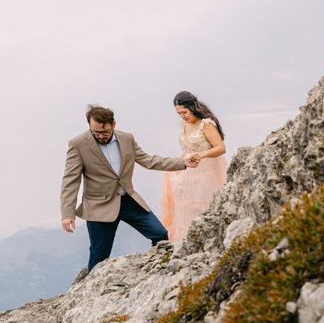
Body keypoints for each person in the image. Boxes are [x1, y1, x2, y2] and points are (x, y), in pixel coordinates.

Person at [61, 104, 188, 282]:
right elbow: (70, 181)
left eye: (104, 132)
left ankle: (159, 277)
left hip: (129, 201)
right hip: (98, 208)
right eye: (96, 132)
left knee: (160, 234)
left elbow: (149, 161)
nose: (100, 136)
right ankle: (90, 293)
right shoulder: (78, 144)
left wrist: (183, 163)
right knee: (99, 257)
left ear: (113, 124)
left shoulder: (127, 138)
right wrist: (68, 214)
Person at [158, 90, 228, 242]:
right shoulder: (185, 125)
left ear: (192, 107)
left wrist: (202, 154)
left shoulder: (206, 124)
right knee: (186, 208)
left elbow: (221, 148)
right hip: (190, 172)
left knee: (204, 205)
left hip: (208, 172)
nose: (183, 116)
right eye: (179, 113)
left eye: (185, 111)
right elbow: (187, 149)